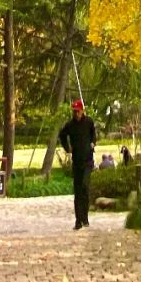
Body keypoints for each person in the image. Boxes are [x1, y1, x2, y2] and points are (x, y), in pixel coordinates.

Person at [59, 98, 96, 230]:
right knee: (78, 190)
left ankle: (85, 217)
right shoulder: (70, 125)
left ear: (82, 111)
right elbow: (62, 135)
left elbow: (93, 133)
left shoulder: (89, 122)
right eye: (74, 112)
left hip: (88, 161)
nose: (76, 114)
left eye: (78, 111)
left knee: (85, 187)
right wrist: (67, 148)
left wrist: (93, 143)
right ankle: (78, 220)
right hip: (77, 162)